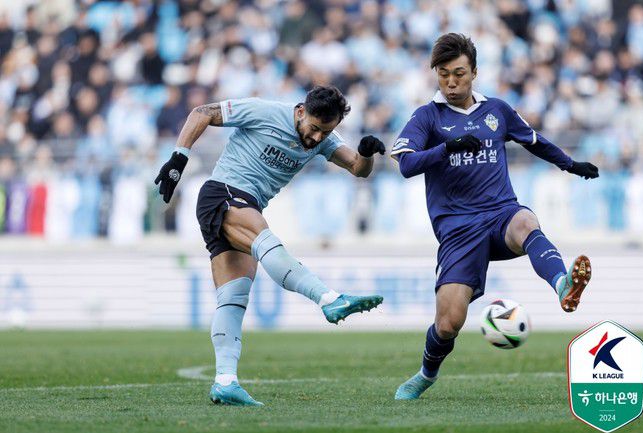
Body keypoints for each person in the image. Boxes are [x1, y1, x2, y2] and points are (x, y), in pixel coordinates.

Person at [391, 34, 599, 400]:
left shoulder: (497, 111)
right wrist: (446, 148)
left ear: (474, 72)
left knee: (526, 221)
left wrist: (570, 164)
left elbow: (533, 141)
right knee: (448, 324)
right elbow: (406, 164)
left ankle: (562, 285)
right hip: (458, 229)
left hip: (501, 213)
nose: (451, 83)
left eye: (459, 74)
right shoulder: (427, 116)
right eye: (443, 75)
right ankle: (426, 374)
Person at [155, 85, 385, 406]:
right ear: (301, 111)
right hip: (224, 193)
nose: (317, 138)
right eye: (314, 128)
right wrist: (179, 158)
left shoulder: (323, 139)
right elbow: (202, 113)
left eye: (325, 132)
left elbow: (358, 169)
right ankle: (328, 298)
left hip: (247, 204)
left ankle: (225, 381)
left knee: (233, 298)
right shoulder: (264, 112)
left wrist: (367, 154)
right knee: (267, 243)